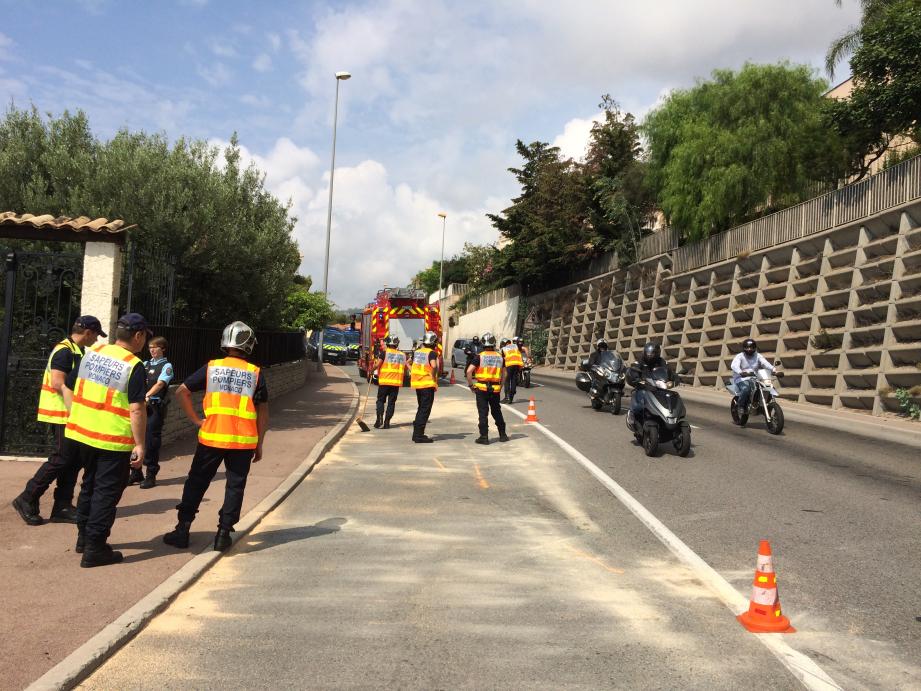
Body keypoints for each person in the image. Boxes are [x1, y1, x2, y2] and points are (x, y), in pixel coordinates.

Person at [164, 321, 268, 552]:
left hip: (211, 437)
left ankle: (182, 530)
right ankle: (223, 534)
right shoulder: (255, 373)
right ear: (249, 344)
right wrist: (259, 443)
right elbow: (263, 411)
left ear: (225, 342)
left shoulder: (212, 367)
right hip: (243, 442)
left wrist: (196, 420)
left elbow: (182, 391)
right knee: (235, 487)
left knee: (197, 482)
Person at [64, 313, 149, 568]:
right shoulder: (133, 365)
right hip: (111, 439)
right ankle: (95, 548)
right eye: (144, 336)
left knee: (88, 485)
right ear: (138, 336)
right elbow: (136, 409)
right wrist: (140, 444)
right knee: (106, 494)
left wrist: (74, 414)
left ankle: (83, 539)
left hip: (82, 434)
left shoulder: (93, 353)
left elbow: (68, 385)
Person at [11, 316, 106, 526]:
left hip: (71, 414)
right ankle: (27, 497)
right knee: (61, 458)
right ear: (88, 332)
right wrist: (74, 410)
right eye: (96, 335)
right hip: (62, 413)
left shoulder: (77, 350)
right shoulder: (64, 350)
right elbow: (57, 382)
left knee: (73, 460)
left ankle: (62, 505)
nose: (96, 340)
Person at [129, 336, 174, 489]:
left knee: (151, 441)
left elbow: (161, 384)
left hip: (154, 407)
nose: (152, 350)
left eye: (156, 347)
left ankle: (151, 474)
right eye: (150, 347)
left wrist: (146, 395)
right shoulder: (145, 364)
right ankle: (135, 472)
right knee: (134, 439)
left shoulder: (166, 366)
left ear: (163, 349)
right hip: (141, 406)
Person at [466, 332, 509, 445]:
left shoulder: (479, 356)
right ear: (494, 343)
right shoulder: (500, 356)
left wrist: (471, 385)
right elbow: (505, 374)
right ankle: (503, 435)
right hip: (495, 389)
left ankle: (484, 437)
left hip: (481, 388)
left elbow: (469, 371)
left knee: (483, 413)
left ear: (483, 343)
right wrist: (501, 387)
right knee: (496, 411)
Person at [730, 339, 775, 426]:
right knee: (746, 389)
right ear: (744, 348)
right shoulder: (740, 356)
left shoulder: (758, 355)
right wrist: (740, 372)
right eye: (747, 347)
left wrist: (774, 369)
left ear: (755, 348)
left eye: (751, 347)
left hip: (755, 377)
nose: (749, 349)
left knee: (768, 387)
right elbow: (734, 365)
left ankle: (764, 404)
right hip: (741, 378)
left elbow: (765, 363)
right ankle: (740, 406)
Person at [625, 342, 669, 428]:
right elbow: (634, 369)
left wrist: (675, 378)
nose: (649, 356)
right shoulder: (640, 361)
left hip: (658, 387)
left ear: (657, 353)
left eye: (652, 354)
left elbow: (669, 371)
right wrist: (636, 377)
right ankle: (632, 413)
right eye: (648, 353)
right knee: (640, 401)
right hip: (643, 386)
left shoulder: (662, 362)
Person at [410, 331, 439, 443]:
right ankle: (418, 435)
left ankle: (417, 434)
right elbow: (434, 365)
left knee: (421, 408)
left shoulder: (417, 352)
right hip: (427, 384)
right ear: (433, 342)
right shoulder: (432, 353)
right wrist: (433, 375)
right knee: (425, 410)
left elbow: (411, 363)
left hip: (418, 384)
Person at [374, 335, 405, 429]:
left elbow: (377, 365)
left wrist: (372, 370)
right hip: (395, 383)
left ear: (387, 343)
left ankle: (379, 419)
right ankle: (387, 422)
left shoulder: (384, 353)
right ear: (397, 343)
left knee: (380, 401)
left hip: (384, 382)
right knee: (391, 403)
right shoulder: (402, 355)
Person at [501, 336, 524, 404]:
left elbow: (502, 359)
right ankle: (511, 397)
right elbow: (522, 349)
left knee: (506, 380)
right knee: (513, 380)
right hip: (517, 365)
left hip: (509, 365)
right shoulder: (515, 346)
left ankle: (507, 397)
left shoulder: (504, 348)